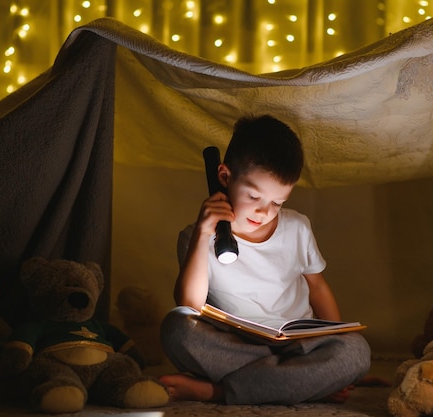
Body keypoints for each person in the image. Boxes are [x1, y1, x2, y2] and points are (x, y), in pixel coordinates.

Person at [159, 114, 371, 405]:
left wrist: (336, 339)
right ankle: (298, 382)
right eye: (254, 196)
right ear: (224, 177)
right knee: (176, 328)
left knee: (356, 351)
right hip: (237, 346)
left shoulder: (297, 228)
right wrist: (204, 233)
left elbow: (318, 287)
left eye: (277, 203)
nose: (264, 212)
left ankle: (219, 392)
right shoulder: (195, 236)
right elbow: (190, 305)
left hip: (297, 346)